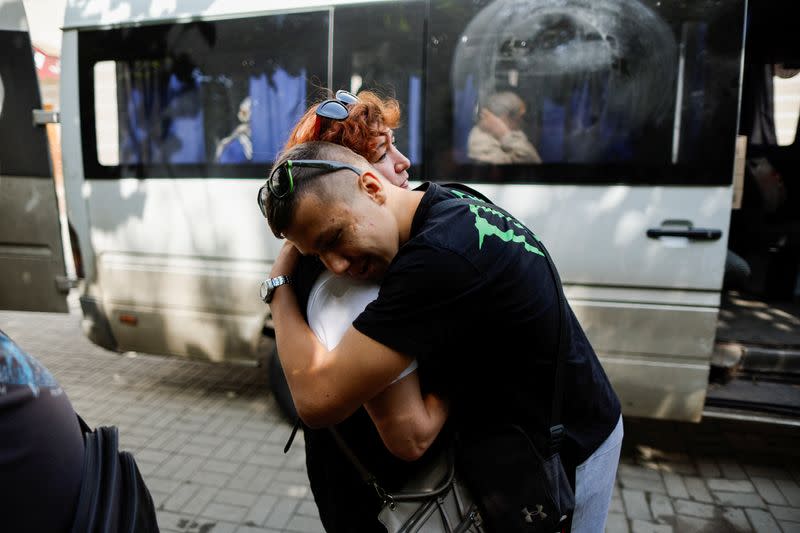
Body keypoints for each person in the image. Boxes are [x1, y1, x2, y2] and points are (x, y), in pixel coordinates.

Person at [259, 140, 624, 532]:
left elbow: (316, 403)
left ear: (372, 187)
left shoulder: (437, 259)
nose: (337, 265)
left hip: (575, 443)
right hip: (562, 416)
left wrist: (279, 286)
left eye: (333, 239)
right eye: (316, 255)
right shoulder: (447, 200)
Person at [273, 89, 450, 533]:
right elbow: (411, 436)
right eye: (385, 152)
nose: (404, 162)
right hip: (389, 505)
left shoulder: (339, 258)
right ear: (357, 179)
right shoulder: (357, 281)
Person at [467, 90, 542, 164]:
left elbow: (535, 159)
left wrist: (505, 134)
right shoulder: (480, 140)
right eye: (520, 117)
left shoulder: (514, 131)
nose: (522, 121)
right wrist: (505, 135)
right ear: (505, 118)